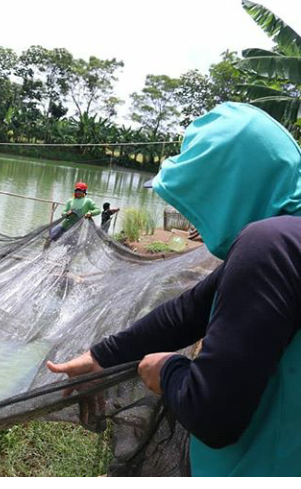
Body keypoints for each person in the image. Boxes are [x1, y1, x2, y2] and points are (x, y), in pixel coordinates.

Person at [46, 102, 301, 476]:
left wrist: (167, 371)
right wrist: (102, 355)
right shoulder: (288, 238)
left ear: (223, 190)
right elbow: (191, 309)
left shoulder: (271, 244)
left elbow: (215, 415)